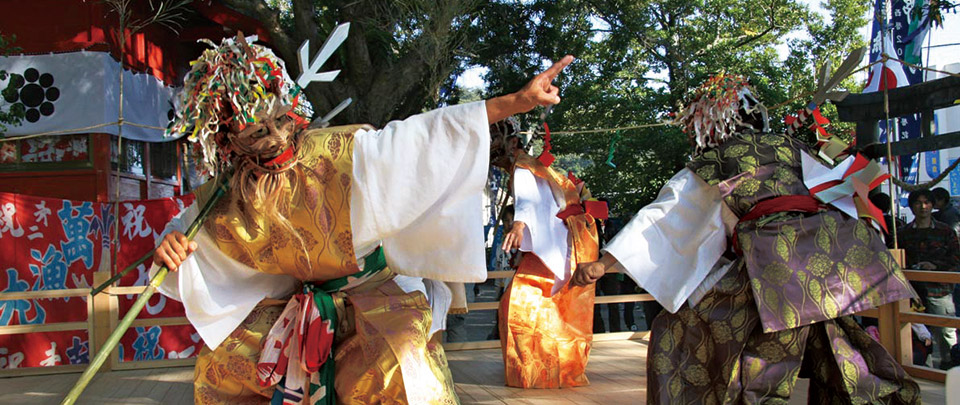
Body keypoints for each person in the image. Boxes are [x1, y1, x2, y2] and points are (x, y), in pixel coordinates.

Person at [152, 34, 575, 404]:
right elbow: (184, 244)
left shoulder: (343, 152)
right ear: (229, 138)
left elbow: (424, 137)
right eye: (258, 133)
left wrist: (515, 103)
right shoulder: (227, 195)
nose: (278, 138)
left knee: (403, 371)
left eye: (281, 119)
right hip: (289, 308)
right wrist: (171, 250)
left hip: (375, 298)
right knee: (223, 366)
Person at [572, 74, 920, 403]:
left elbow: (663, 218)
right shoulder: (795, 146)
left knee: (692, 338)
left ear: (709, 125)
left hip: (774, 264)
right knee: (842, 349)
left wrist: (605, 263)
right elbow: (845, 184)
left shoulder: (717, 161)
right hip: (829, 259)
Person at [492, 117, 602, 388]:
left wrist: (519, 224)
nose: (489, 145)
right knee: (545, 307)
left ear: (513, 141)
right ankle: (551, 370)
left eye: (494, 137)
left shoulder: (523, 167)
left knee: (518, 305)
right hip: (561, 242)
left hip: (559, 244)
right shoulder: (528, 167)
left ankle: (541, 372)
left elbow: (529, 198)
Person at [897, 189, 959, 370]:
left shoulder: (945, 231)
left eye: (926, 202)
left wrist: (935, 267)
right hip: (912, 291)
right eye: (918, 203)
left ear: (932, 205)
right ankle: (924, 369)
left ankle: (951, 367)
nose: (923, 207)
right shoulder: (903, 233)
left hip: (939, 289)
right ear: (912, 206)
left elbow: (956, 258)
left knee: (946, 331)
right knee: (915, 332)